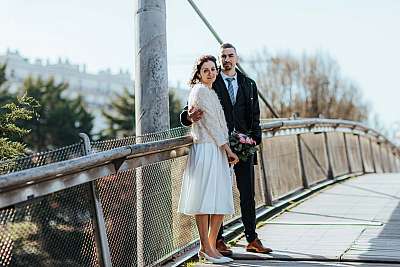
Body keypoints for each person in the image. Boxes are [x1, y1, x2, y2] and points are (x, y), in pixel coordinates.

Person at [180, 43, 273, 255]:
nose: (226, 59)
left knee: (247, 193)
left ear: (237, 58)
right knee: (216, 191)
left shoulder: (249, 84)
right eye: (223, 56)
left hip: (243, 147)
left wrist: (254, 140)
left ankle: (252, 238)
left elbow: (255, 116)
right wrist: (187, 117)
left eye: (230, 55)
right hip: (217, 146)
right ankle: (218, 241)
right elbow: (191, 109)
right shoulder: (211, 81)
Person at [178, 55, 239, 264]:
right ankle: (205, 248)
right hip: (206, 149)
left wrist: (225, 147)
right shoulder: (200, 91)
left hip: (217, 149)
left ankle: (211, 247)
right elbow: (211, 124)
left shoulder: (211, 91)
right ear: (198, 73)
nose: (211, 73)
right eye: (206, 70)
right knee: (204, 200)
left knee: (219, 199)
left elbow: (220, 124)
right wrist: (228, 149)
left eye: (213, 69)